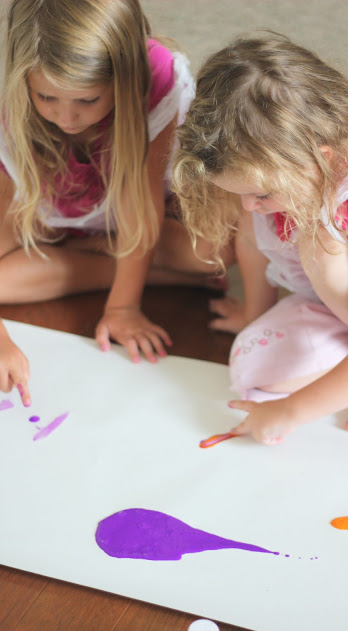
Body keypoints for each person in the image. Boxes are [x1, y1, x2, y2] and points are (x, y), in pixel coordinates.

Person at [173, 31, 348, 444]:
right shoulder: (273, 169)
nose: (250, 206)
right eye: (242, 195)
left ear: (318, 160)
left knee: (321, 246)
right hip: (339, 306)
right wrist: (254, 316)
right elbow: (251, 243)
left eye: (260, 195)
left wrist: (289, 413)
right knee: (254, 371)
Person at [0, 0, 231, 406]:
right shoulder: (14, 109)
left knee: (216, 253)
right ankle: (146, 271)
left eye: (87, 100)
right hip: (47, 209)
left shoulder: (156, 78)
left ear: (123, 76)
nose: (66, 118)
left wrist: (123, 308)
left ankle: (105, 258)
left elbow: (140, 204)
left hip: (132, 209)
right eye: (46, 96)